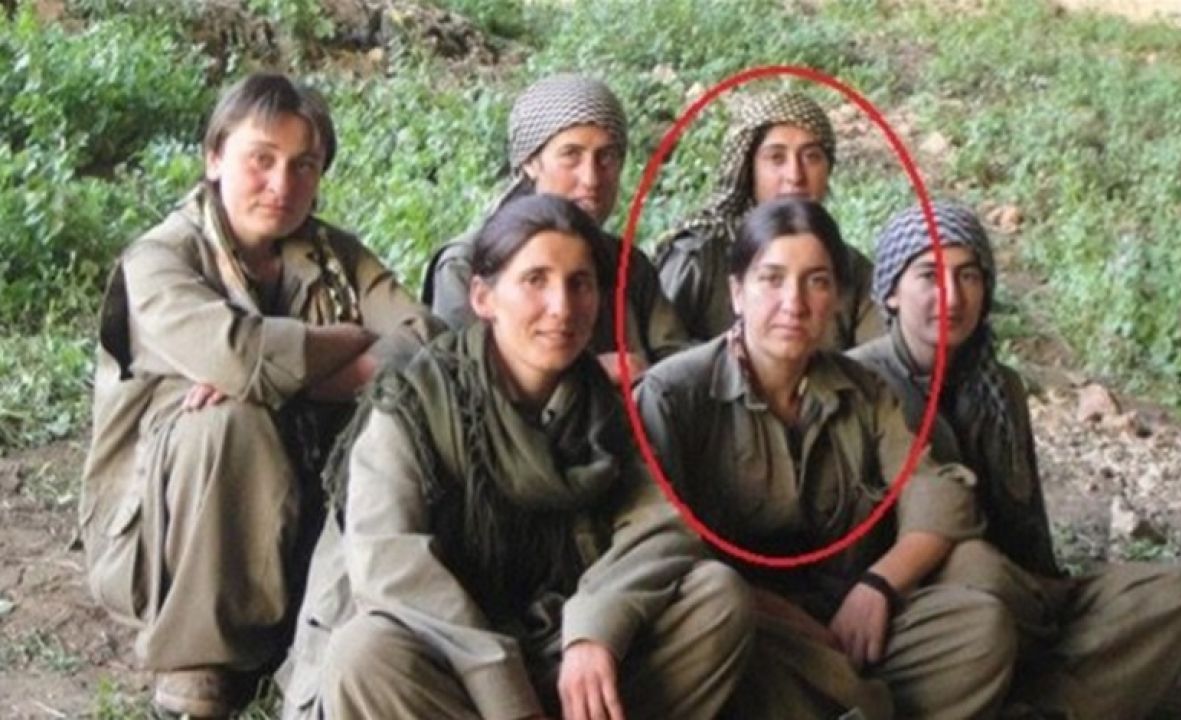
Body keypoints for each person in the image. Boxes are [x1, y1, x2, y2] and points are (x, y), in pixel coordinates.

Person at [279, 194, 753, 720]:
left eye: (580, 283)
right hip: (455, 659)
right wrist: (504, 690)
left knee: (717, 598)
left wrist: (595, 629)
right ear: (483, 297)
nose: (562, 306)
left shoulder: (602, 407)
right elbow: (389, 565)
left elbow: (661, 527)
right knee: (365, 653)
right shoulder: (416, 403)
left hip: (557, 648)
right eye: (535, 280)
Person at [78, 73, 438, 718]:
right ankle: (198, 674)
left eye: (304, 165)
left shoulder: (334, 255)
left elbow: (423, 341)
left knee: (390, 419)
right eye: (261, 159)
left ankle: (310, 634)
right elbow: (241, 357)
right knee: (228, 423)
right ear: (215, 157)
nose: (282, 184)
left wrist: (317, 370)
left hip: (296, 512)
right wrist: (350, 343)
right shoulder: (158, 261)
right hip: (160, 544)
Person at [637, 198, 1019, 720]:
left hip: (845, 622)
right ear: (736, 293)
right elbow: (664, 547)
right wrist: (790, 622)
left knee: (978, 629)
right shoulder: (672, 395)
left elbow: (941, 494)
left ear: (836, 299)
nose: (793, 303)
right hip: (742, 631)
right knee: (738, 635)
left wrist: (877, 586)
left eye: (816, 282)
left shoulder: (865, 391)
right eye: (772, 279)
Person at [849, 201, 1181, 718]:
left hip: (1019, 593)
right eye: (928, 276)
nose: (952, 296)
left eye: (968, 276)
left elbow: (1028, 526)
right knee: (975, 567)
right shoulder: (859, 384)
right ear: (891, 292)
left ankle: (1037, 703)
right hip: (926, 608)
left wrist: (1047, 587)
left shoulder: (1002, 387)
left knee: (1168, 594)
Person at [423, 73, 687, 385]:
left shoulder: (628, 265)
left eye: (606, 157)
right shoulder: (469, 263)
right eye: (571, 156)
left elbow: (678, 365)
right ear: (531, 163)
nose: (591, 179)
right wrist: (593, 375)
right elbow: (461, 384)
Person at [654, 90, 882, 347]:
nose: (795, 175)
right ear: (748, 170)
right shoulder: (699, 257)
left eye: (811, 157)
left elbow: (879, 358)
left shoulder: (852, 269)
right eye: (776, 158)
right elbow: (661, 352)